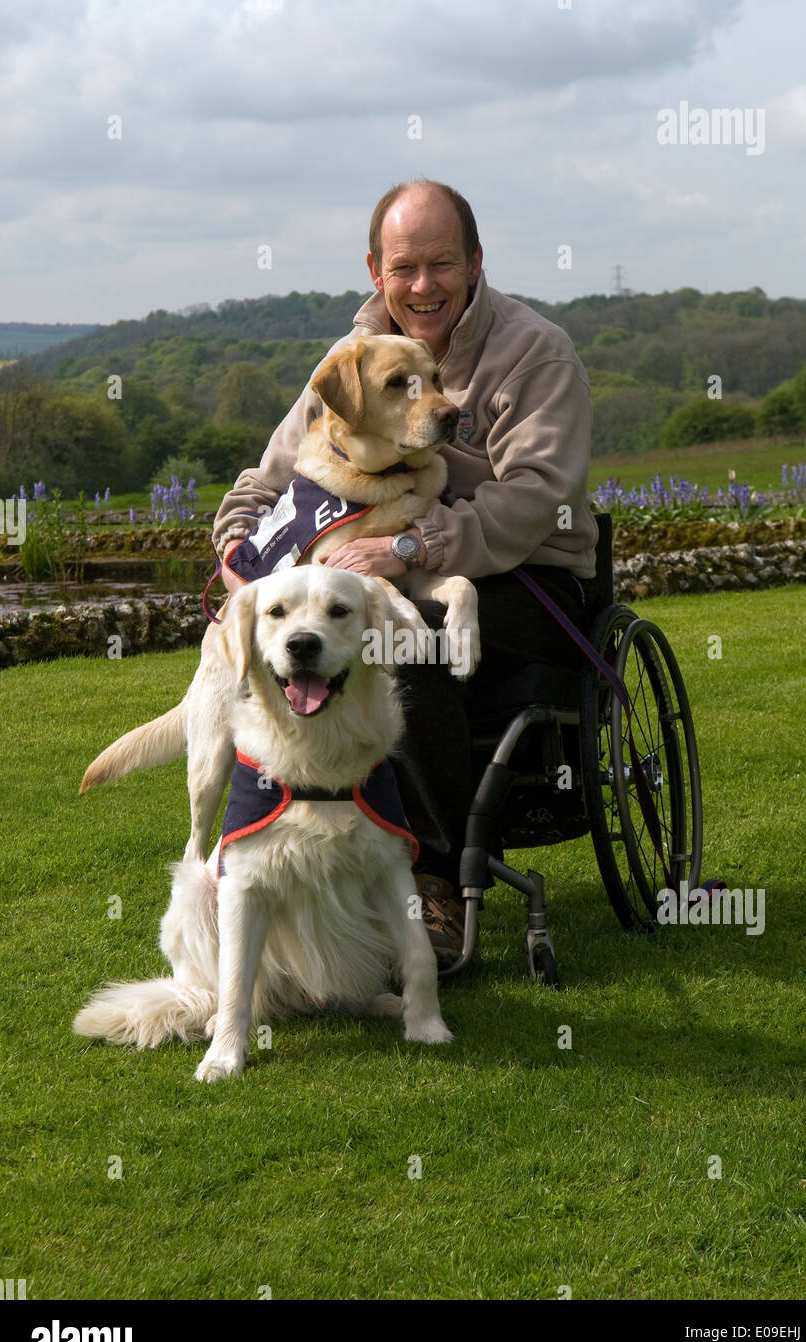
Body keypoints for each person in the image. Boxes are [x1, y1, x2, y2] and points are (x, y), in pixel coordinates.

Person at [211, 179, 599, 964]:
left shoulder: (536, 352)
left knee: (397, 640)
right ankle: (270, 870)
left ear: (476, 263)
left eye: (441, 264)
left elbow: (540, 500)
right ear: (375, 271)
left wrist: (416, 548)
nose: (423, 286)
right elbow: (268, 479)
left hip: (533, 581)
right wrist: (237, 559)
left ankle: (430, 879)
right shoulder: (348, 362)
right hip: (391, 573)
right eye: (404, 267)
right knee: (295, 642)